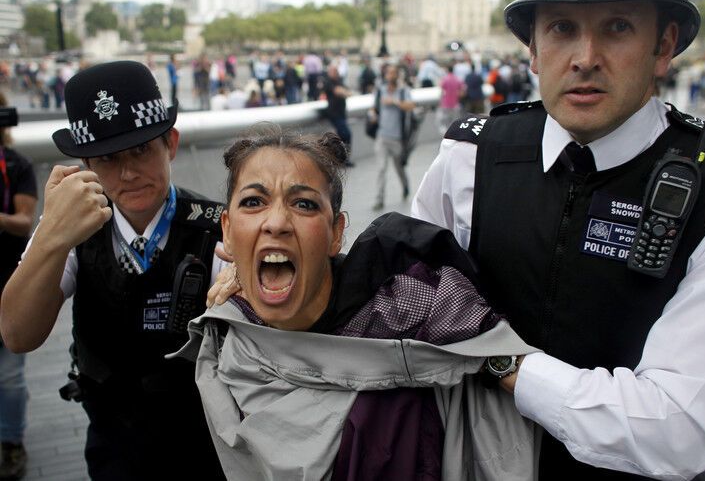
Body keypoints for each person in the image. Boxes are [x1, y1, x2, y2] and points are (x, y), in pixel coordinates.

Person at [411, 0, 705, 479]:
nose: (585, 57)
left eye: (617, 27)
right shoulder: (468, 159)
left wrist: (501, 359)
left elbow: (676, 429)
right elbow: (410, 315)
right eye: (562, 27)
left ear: (664, 46)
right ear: (533, 49)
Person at [183, 127, 539, 480]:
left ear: (336, 233)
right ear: (227, 230)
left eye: (304, 204)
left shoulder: (420, 314)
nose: (276, 223)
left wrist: (494, 360)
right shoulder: (223, 346)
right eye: (253, 202)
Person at [0, 61, 226, 480]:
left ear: (171, 143)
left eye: (141, 149)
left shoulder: (214, 226)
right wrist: (51, 235)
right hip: (112, 441)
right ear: (86, 162)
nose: (127, 173)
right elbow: (17, 334)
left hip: (204, 441)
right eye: (107, 158)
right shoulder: (71, 231)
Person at [0, 94, 37, 480]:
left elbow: (25, 221)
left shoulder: (15, 165)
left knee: (9, 377)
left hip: (7, 279)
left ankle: (11, 443)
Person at [369, 64, 415, 211]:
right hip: (382, 136)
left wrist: (394, 102)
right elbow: (373, 108)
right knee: (381, 169)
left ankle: (405, 186)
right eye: (388, 73)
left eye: (393, 73)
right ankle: (379, 199)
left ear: (397, 75)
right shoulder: (380, 90)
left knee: (399, 167)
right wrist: (373, 115)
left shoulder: (403, 91)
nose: (391, 76)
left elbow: (410, 106)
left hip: (397, 139)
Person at [321, 64, 353, 165]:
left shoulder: (339, 81)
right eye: (333, 71)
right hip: (334, 113)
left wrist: (343, 91)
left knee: (343, 136)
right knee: (345, 134)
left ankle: (343, 158)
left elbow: (349, 92)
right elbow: (338, 92)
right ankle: (342, 159)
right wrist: (343, 92)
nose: (335, 73)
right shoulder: (328, 82)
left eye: (336, 71)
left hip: (341, 112)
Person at [438, 64, 464, 135]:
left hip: (446, 101)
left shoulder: (445, 79)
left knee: (446, 118)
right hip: (455, 101)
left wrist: (440, 100)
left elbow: (441, 89)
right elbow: (462, 88)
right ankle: (454, 131)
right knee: (454, 118)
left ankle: (446, 132)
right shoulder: (457, 78)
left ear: (447, 70)